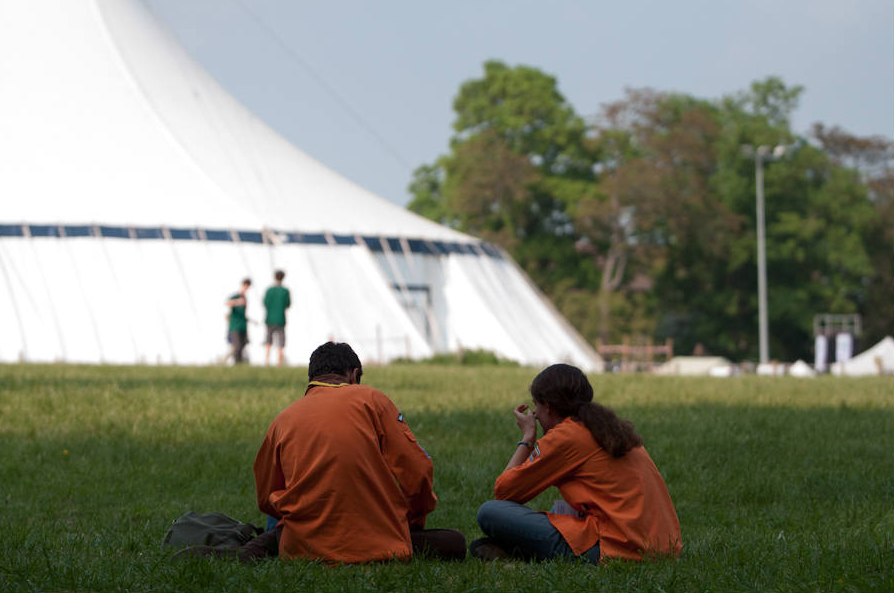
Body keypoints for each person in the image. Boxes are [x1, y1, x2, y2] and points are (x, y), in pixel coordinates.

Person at [252, 341, 466, 563]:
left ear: (312, 379)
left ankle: (263, 543)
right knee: (453, 541)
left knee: (277, 510)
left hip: (303, 549)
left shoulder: (283, 420)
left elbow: (266, 496)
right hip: (378, 544)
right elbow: (418, 470)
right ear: (354, 375)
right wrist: (414, 520)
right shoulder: (372, 400)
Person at [471, 363, 681, 564]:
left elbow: (504, 492)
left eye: (536, 406)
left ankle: (521, 550)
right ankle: (517, 548)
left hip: (620, 548)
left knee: (490, 512)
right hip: (662, 547)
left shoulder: (565, 437)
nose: (534, 414)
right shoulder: (608, 427)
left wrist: (527, 438)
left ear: (549, 407)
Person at [262, 270, 291, 366]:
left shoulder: (269, 290)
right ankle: (279, 361)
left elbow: (265, 303)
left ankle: (267, 359)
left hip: (269, 318)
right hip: (280, 319)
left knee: (268, 340)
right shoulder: (285, 291)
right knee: (280, 341)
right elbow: (288, 305)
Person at [225, 278, 251, 364]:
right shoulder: (236, 296)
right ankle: (236, 363)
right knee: (237, 346)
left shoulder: (245, 297)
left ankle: (239, 363)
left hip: (243, 325)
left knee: (243, 345)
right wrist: (237, 302)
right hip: (235, 326)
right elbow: (227, 303)